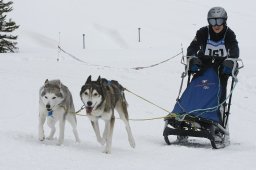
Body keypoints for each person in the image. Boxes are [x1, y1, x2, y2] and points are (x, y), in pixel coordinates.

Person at [186, 6, 240, 106]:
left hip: (221, 66)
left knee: (220, 88)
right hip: (203, 64)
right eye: (212, 21)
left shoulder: (229, 34)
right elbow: (192, 47)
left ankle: (218, 110)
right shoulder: (202, 32)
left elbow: (234, 49)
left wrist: (231, 60)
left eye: (219, 21)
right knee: (197, 86)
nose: (216, 25)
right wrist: (192, 57)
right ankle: (189, 108)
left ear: (224, 21)